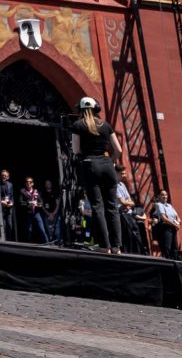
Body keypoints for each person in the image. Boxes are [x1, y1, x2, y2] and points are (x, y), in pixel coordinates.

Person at [67, 96, 124, 252]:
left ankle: (105, 246)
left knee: (97, 207)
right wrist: (110, 162)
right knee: (112, 207)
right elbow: (119, 150)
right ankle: (116, 247)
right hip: (107, 165)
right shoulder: (106, 125)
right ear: (95, 109)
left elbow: (76, 150)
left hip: (90, 165)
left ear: (81, 110)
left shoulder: (78, 125)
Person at [148, 189, 181, 260]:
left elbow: (177, 216)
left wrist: (178, 222)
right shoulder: (158, 205)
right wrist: (175, 225)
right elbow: (164, 218)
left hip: (173, 227)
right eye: (162, 195)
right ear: (158, 196)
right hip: (165, 228)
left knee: (175, 247)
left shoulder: (170, 205)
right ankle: (168, 263)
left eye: (166, 195)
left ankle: (175, 262)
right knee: (167, 247)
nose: (165, 196)